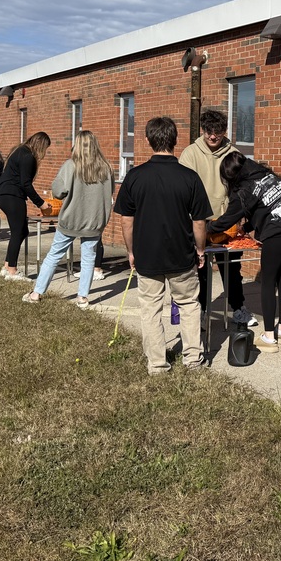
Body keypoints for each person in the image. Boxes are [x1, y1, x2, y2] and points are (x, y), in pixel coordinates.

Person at [113, 117, 212, 374]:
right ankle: (193, 359)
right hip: (182, 254)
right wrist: (200, 250)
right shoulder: (189, 177)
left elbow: (127, 220)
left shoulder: (134, 177)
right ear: (176, 140)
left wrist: (131, 251)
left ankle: (157, 363)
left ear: (147, 141)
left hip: (148, 255)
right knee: (189, 305)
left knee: (151, 309)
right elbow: (199, 222)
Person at [208, 151, 281, 353]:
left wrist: (205, 229)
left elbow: (227, 221)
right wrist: (248, 227)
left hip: (278, 233)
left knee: (268, 283)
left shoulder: (244, 188)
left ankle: (269, 338)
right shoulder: (263, 174)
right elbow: (264, 206)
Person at [180, 110, 258, 328]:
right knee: (201, 269)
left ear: (225, 131)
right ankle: (202, 310)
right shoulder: (190, 154)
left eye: (218, 132)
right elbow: (183, 190)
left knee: (232, 270)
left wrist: (240, 215)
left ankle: (238, 308)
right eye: (209, 132)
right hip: (199, 222)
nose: (213, 137)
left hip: (227, 222)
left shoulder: (232, 152)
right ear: (203, 130)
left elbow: (242, 188)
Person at [22, 131, 113, 309]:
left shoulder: (70, 166)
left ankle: (36, 293)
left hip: (71, 219)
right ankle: (82, 298)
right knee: (89, 257)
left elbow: (58, 192)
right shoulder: (106, 167)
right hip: (94, 220)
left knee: (54, 255)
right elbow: (109, 192)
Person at [0, 132, 52, 281]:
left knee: (21, 231)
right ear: (41, 145)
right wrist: (41, 203)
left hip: (4, 195)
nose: (45, 152)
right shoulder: (28, 156)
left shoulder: (19, 150)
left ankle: (7, 265)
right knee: (18, 232)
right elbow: (25, 184)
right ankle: (12, 271)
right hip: (13, 196)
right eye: (45, 148)